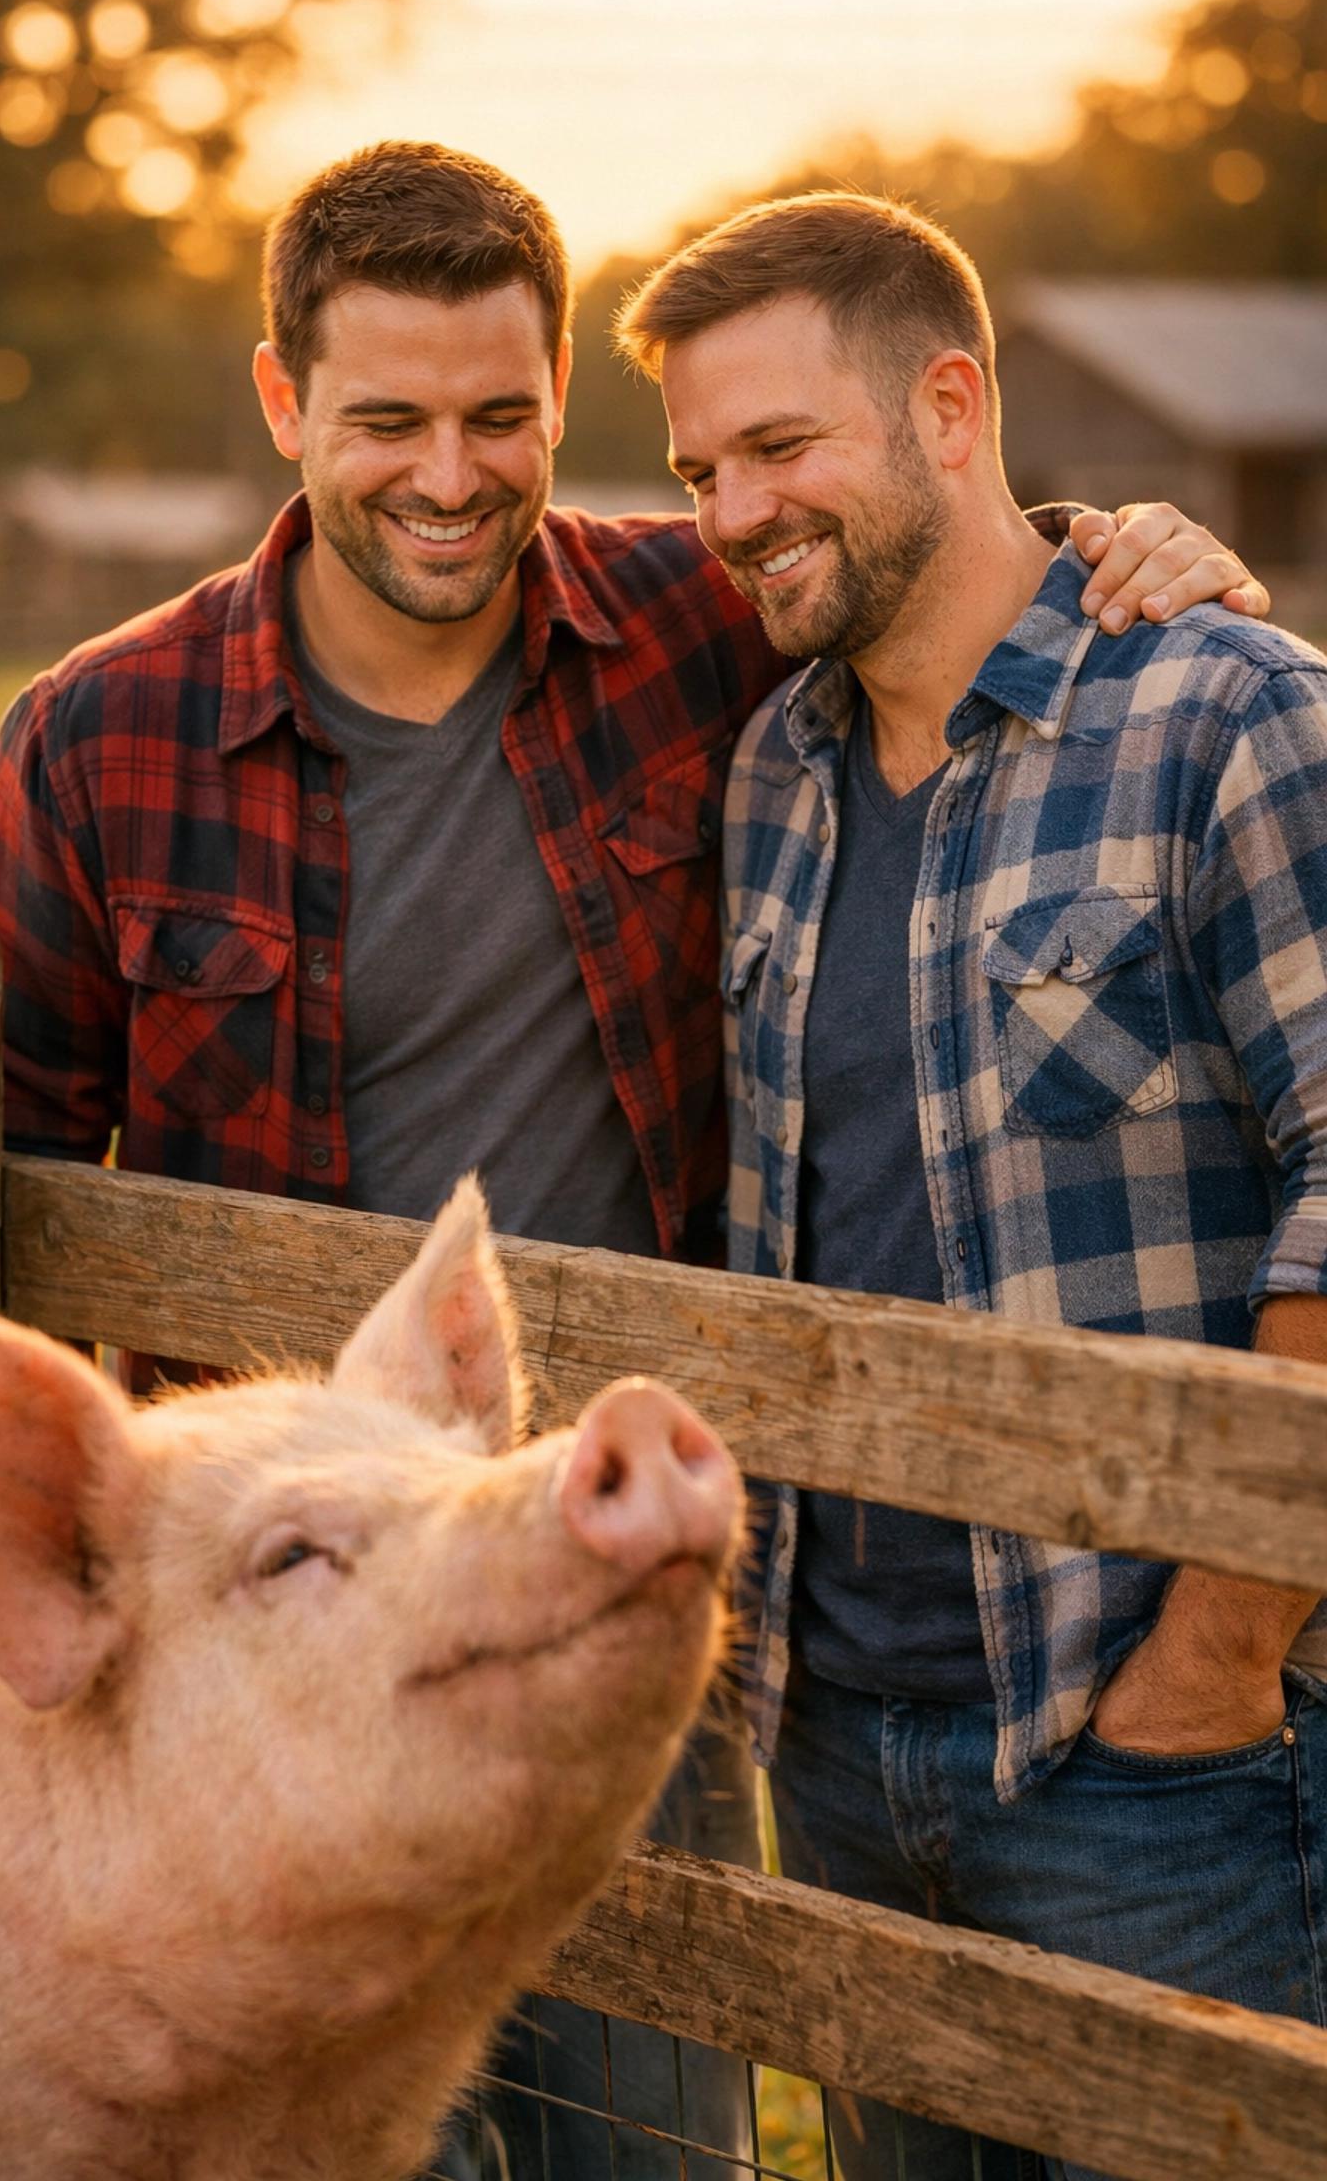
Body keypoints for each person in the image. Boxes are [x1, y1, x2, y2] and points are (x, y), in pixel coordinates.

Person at [0, 142, 1260, 2181]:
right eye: (385, 420)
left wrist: (1118, 550)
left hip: (621, 1591)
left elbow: (921, 554)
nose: (448, 476)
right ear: (286, 401)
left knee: (650, 2146)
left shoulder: (691, 625)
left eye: (501, 418)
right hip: (280, 1671)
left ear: (560, 400)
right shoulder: (102, 739)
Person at [616, 190, 1327, 2181]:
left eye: (779, 446)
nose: (735, 512)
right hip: (842, 1742)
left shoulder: (1230, 718)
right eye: (699, 470)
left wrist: (1213, 1665)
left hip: (1155, 1763)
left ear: (949, 407)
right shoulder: (775, 775)